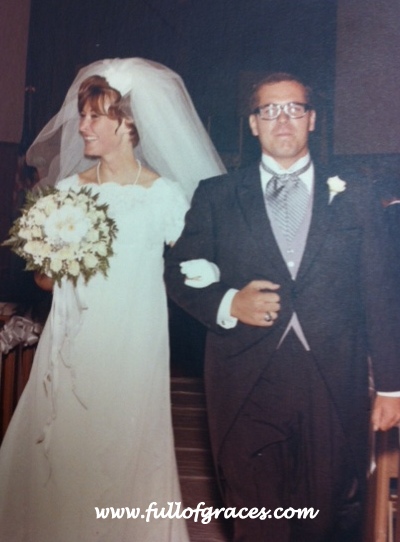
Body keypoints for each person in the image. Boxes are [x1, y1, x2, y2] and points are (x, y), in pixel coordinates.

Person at [165, 72, 400, 541]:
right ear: (253, 124)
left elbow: (380, 289)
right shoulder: (217, 195)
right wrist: (229, 301)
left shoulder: (355, 195)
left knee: (327, 517)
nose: (283, 120)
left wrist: (392, 386)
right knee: (256, 520)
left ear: (312, 119)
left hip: (331, 379)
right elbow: (178, 272)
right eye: (269, 111)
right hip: (247, 378)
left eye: (294, 108)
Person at [0, 58, 225, 541]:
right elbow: (44, 282)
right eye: (82, 115)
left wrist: (212, 275)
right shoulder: (68, 189)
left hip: (134, 337)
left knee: (120, 442)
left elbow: (193, 268)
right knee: (69, 438)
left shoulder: (163, 195)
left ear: (127, 124)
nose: (82, 126)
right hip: (73, 334)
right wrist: (50, 261)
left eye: (94, 116)